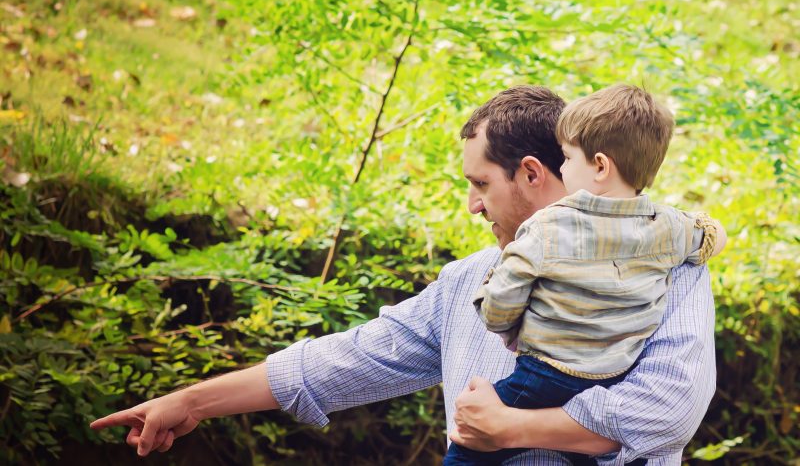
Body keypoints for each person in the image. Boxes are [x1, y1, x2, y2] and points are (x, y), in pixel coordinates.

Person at [90, 86, 717, 465]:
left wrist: (510, 429)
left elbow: (667, 410)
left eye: (480, 185)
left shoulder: (669, 270)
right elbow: (347, 360)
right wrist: (189, 401)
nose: (472, 206)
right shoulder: (467, 282)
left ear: (532, 173)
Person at [443, 85, 725, 465]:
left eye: (567, 158)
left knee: (468, 443)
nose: (561, 168)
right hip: (611, 378)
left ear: (600, 166)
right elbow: (711, 235)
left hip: (547, 374)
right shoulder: (669, 229)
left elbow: (498, 309)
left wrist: (507, 326)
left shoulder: (547, 227)